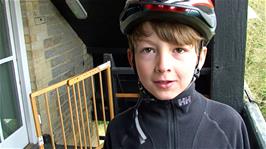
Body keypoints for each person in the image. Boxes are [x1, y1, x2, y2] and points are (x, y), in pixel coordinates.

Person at [104, 0, 250, 148]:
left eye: (179, 50)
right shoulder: (118, 132)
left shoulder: (229, 125)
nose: (163, 66)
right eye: (148, 50)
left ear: (200, 57)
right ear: (132, 58)